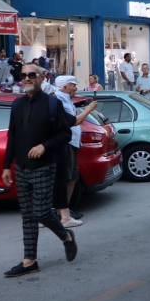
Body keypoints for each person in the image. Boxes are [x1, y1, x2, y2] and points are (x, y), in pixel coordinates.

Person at [1, 64, 77, 277]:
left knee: (41, 212)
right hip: (22, 167)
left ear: (42, 78)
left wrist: (44, 146)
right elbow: (12, 137)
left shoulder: (52, 103)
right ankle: (29, 260)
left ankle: (66, 236)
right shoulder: (17, 105)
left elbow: (65, 135)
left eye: (31, 75)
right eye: (24, 75)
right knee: (27, 216)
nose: (27, 78)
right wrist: (7, 165)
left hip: (45, 165)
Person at [54, 76, 98, 227]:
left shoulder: (65, 98)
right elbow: (74, 121)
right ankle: (61, 211)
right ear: (65, 87)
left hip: (72, 143)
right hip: (66, 143)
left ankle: (65, 210)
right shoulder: (59, 100)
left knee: (72, 177)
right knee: (66, 178)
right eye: (73, 85)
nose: (75, 88)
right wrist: (88, 110)